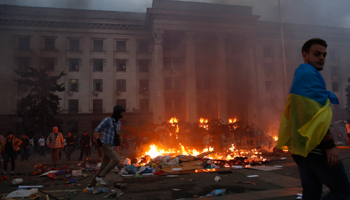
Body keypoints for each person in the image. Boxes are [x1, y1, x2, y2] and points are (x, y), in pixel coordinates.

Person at [276, 38, 350, 199]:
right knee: (343, 191)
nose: (322, 57)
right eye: (317, 54)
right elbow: (313, 116)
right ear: (305, 55)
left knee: (311, 193)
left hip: (301, 146)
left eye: (324, 54)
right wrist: (329, 145)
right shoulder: (309, 75)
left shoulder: (302, 74)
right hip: (315, 145)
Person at [86, 105, 125, 194]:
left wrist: (118, 141)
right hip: (105, 145)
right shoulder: (107, 120)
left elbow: (116, 135)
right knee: (116, 160)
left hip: (111, 146)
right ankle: (101, 176)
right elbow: (96, 130)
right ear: (117, 112)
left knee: (102, 167)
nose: (122, 114)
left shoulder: (118, 123)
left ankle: (90, 186)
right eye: (121, 113)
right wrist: (98, 141)